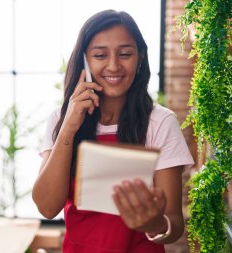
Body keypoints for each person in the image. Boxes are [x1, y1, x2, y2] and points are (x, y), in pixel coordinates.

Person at [32, 10, 194, 253]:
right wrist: (68, 128)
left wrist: (155, 224)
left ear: (139, 58)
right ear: (84, 60)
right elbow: (47, 207)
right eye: (100, 55)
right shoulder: (61, 119)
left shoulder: (160, 122)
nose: (113, 65)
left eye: (125, 54)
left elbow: (175, 224)